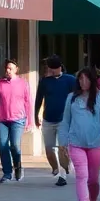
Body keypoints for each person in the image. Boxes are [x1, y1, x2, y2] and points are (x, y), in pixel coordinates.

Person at [58, 67, 100, 201]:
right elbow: (65, 121)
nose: (83, 82)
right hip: (76, 143)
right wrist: (62, 142)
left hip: (95, 143)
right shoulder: (71, 98)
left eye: (86, 79)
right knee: (82, 175)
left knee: (93, 179)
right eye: (80, 79)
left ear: (92, 80)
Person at [0, 59, 32, 183]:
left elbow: (28, 102)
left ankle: (18, 166)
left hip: (18, 119)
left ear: (16, 70)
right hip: (2, 120)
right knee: (3, 145)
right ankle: (7, 173)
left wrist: (30, 121)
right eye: (7, 68)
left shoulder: (23, 83)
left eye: (11, 68)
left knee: (15, 146)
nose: (8, 71)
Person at [34, 56, 77, 186]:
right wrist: (36, 115)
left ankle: (62, 176)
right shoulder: (45, 82)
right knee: (48, 149)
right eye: (49, 68)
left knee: (61, 148)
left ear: (58, 67)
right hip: (48, 119)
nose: (50, 71)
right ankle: (55, 168)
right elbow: (38, 99)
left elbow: (76, 98)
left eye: (52, 68)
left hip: (63, 120)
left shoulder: (70, 80)